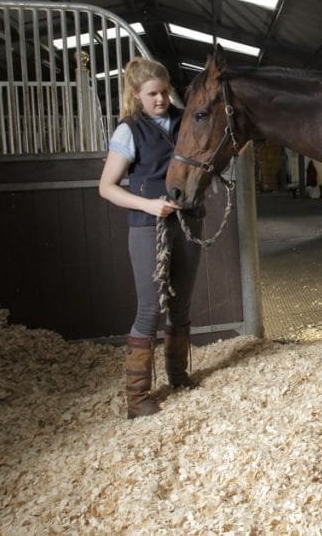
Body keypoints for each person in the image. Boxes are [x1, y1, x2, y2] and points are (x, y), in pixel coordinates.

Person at [99, 57, 203, 419]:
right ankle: (137, 397)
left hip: (188, 221)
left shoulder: (186, 119)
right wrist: (148, 205)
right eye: (152, 94)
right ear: (136, 95)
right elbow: (107, 187)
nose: (161, 99)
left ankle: (178, 376)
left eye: (164, 92)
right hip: (148, 226)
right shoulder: (129, 130)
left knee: (181, 304)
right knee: (149, 309)